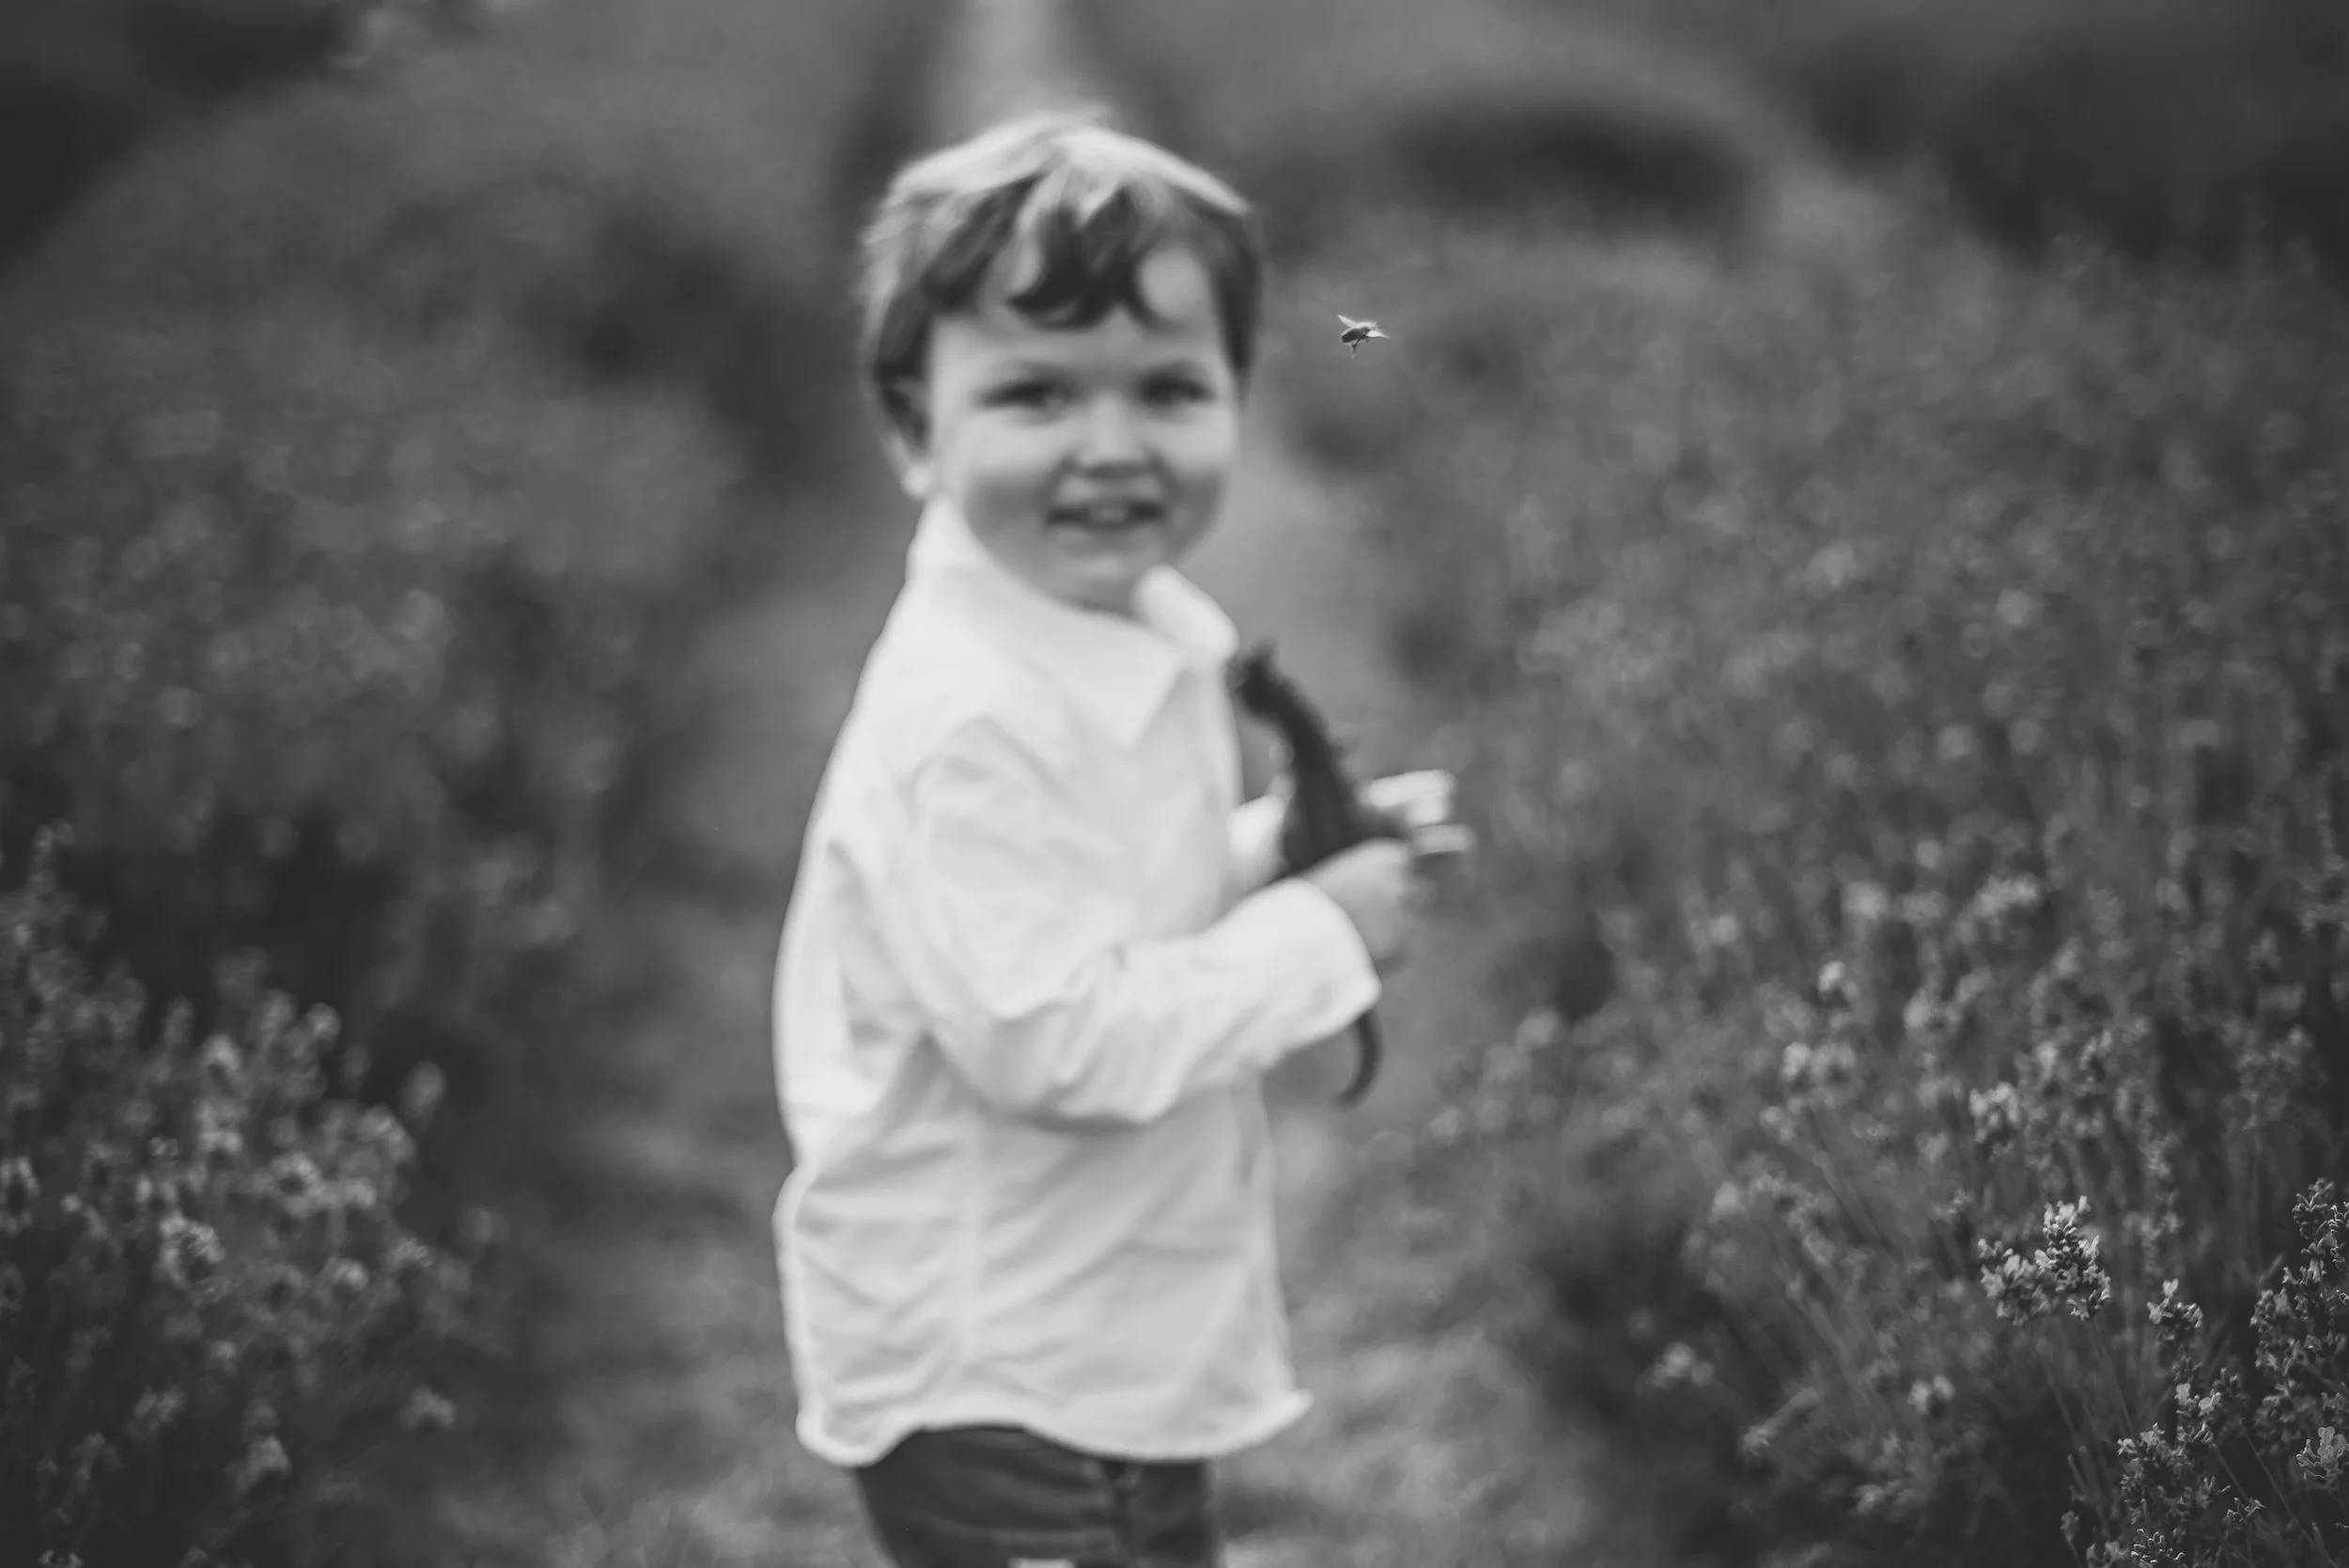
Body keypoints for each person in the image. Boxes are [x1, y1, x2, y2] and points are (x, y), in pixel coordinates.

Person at [770, 105, 1468, 1568]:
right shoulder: (976, 719)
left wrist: (1277, 856)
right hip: (1007, 1378)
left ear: (1235, 395)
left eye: (1167, 388)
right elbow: (1053, 1038)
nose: (1111, 447)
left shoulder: (1116, 623)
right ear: (914, 426)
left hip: (1094, 1336)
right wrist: (1320, 937)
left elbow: (1107, 902)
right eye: (1036, 395)